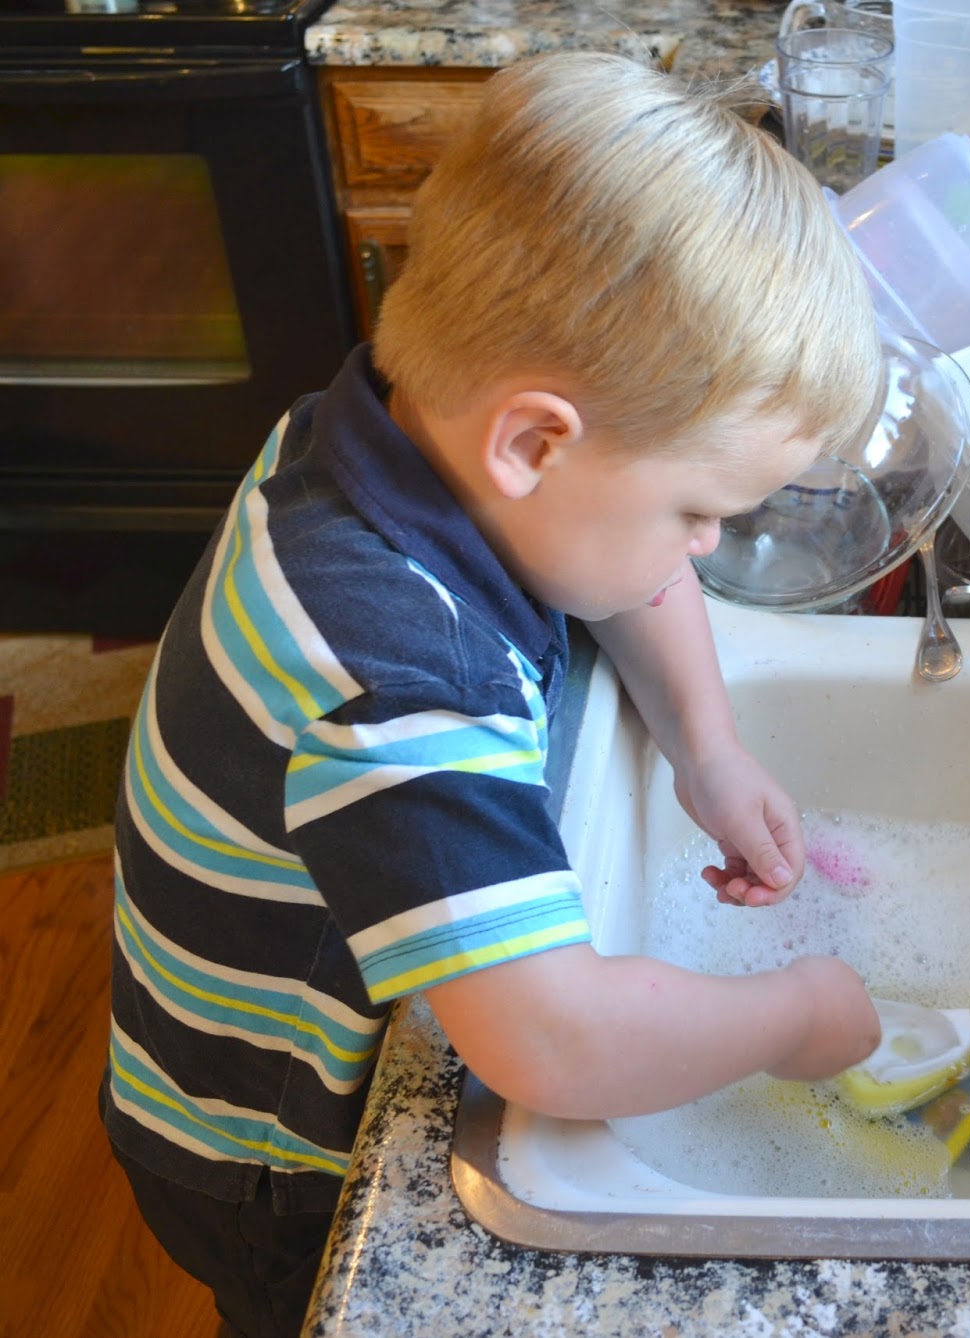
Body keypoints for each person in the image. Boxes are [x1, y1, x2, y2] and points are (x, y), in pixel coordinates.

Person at [101, 51, 885, 1337]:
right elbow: (555, 1044)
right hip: (267, 1155)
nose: (700, 550)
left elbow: (611, 562)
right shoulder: (400, 680)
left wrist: (706, 743)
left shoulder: (379, 430)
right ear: (532, 442)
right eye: (696, 511)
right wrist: (793, 1018)